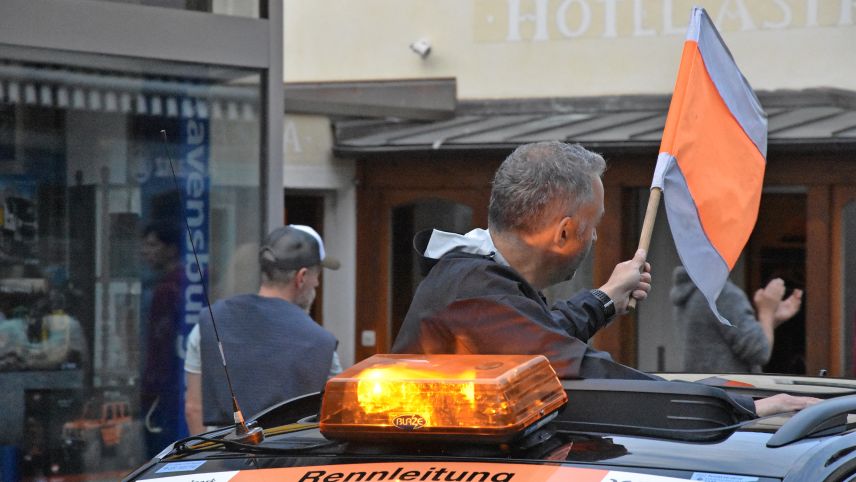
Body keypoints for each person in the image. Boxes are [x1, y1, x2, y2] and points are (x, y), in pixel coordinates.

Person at [392, 141, 818, 417]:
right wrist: (741, 406)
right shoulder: (474, 292)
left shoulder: (475, 279)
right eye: (593, 225)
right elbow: (578, 371)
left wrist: (605, 299)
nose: (595, 237)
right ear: (563, 233)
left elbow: (536, 340)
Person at [184, 225, 342, 434]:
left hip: (224, 460)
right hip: (290, 463)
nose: (317, 283)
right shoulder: (322, 343)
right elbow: (338, 415)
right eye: (316, 275)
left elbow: (193, 409)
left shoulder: (208, 325)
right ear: (301, 277)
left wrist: (205, 462)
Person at [672, 266, 803, 373]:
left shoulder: (691, 292)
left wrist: (771, 319)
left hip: (705, 394)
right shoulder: (722, 295)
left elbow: (724, 340)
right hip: (730, 396)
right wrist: (767, 311)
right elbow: (759, 352)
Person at [139, 220, 187, 455]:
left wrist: (151, 386)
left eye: (152, 245)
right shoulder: (180, 283)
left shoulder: (168, 289)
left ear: (171, 249)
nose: (145, 251)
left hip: (164, 390)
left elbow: (160, 346)